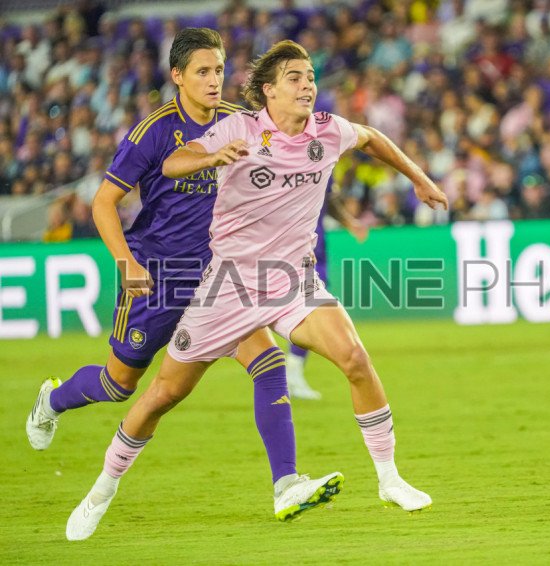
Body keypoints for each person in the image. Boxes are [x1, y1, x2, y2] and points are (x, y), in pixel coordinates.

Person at [65, 39, 448, 540]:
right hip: (226, 286)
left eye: (311, 77)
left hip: (291, 280)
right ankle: (101, 491)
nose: (307, 85)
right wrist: (211, 157)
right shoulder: (240, 128)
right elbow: (174, 162)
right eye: (295, 78)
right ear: (268, 90)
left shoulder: (328, 130)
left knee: (354, 358)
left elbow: (372, 138)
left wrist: (419, 178)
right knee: (161, 394)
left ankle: (388, 479)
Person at [25, 29, 329, 536]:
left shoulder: (240, 122)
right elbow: (103, 203)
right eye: (203, 72)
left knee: (268, 361)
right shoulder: (154, 132)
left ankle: (287, 484)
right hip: (158, 276)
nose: (214, 80)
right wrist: (125, 262)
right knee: (118, 385)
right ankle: (52, 401)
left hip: (220, 276)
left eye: (219, 70)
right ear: (177, 76)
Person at [287, 183, 368, 400]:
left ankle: (291, 371)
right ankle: (288, 373)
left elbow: (328, 198)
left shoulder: (325, 163)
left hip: (316, 249)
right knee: (308, 308)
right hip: (290, 248)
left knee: (310, 308)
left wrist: (349, 222)